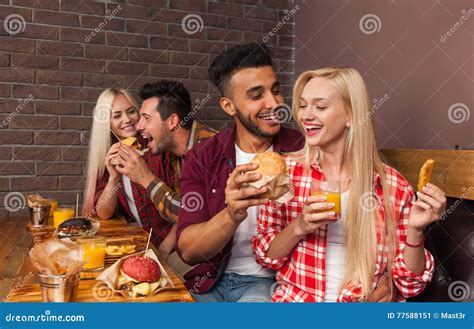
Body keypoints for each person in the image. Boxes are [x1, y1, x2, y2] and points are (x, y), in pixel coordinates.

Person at [252, 67, 447, 302]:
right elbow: (267, 257)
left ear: (352, 115)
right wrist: (299, 226)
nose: (306, 115)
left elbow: (410, 284)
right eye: (303, 105)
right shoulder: (286, 173)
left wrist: (415, 231)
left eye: (320, 107)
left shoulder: (393, 186)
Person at [176, 43, 305, 302]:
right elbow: (189, 251)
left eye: (276, 91)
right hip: (209, 281)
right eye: (257, 95)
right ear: (229, 106)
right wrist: (232, 215)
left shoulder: (303, 148)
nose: (274, 103)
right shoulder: (202, 157)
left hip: (269, 282)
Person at [114, 80, 215, 260]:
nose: (138, 126)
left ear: (173, 122)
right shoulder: (174, 153)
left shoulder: (209, 150)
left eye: (146, 118)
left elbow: (195, 215)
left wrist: (145, 178)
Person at [83, 88, 175, 249]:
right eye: (117, 116)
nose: (127, 119)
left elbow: (184, 212)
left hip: (174, 247)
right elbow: (104, 214)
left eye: (131, 111)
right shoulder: (110, 156)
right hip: (139, 246)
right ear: (107, 123)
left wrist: (165, 250)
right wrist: (113, 178)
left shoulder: (158, 149)